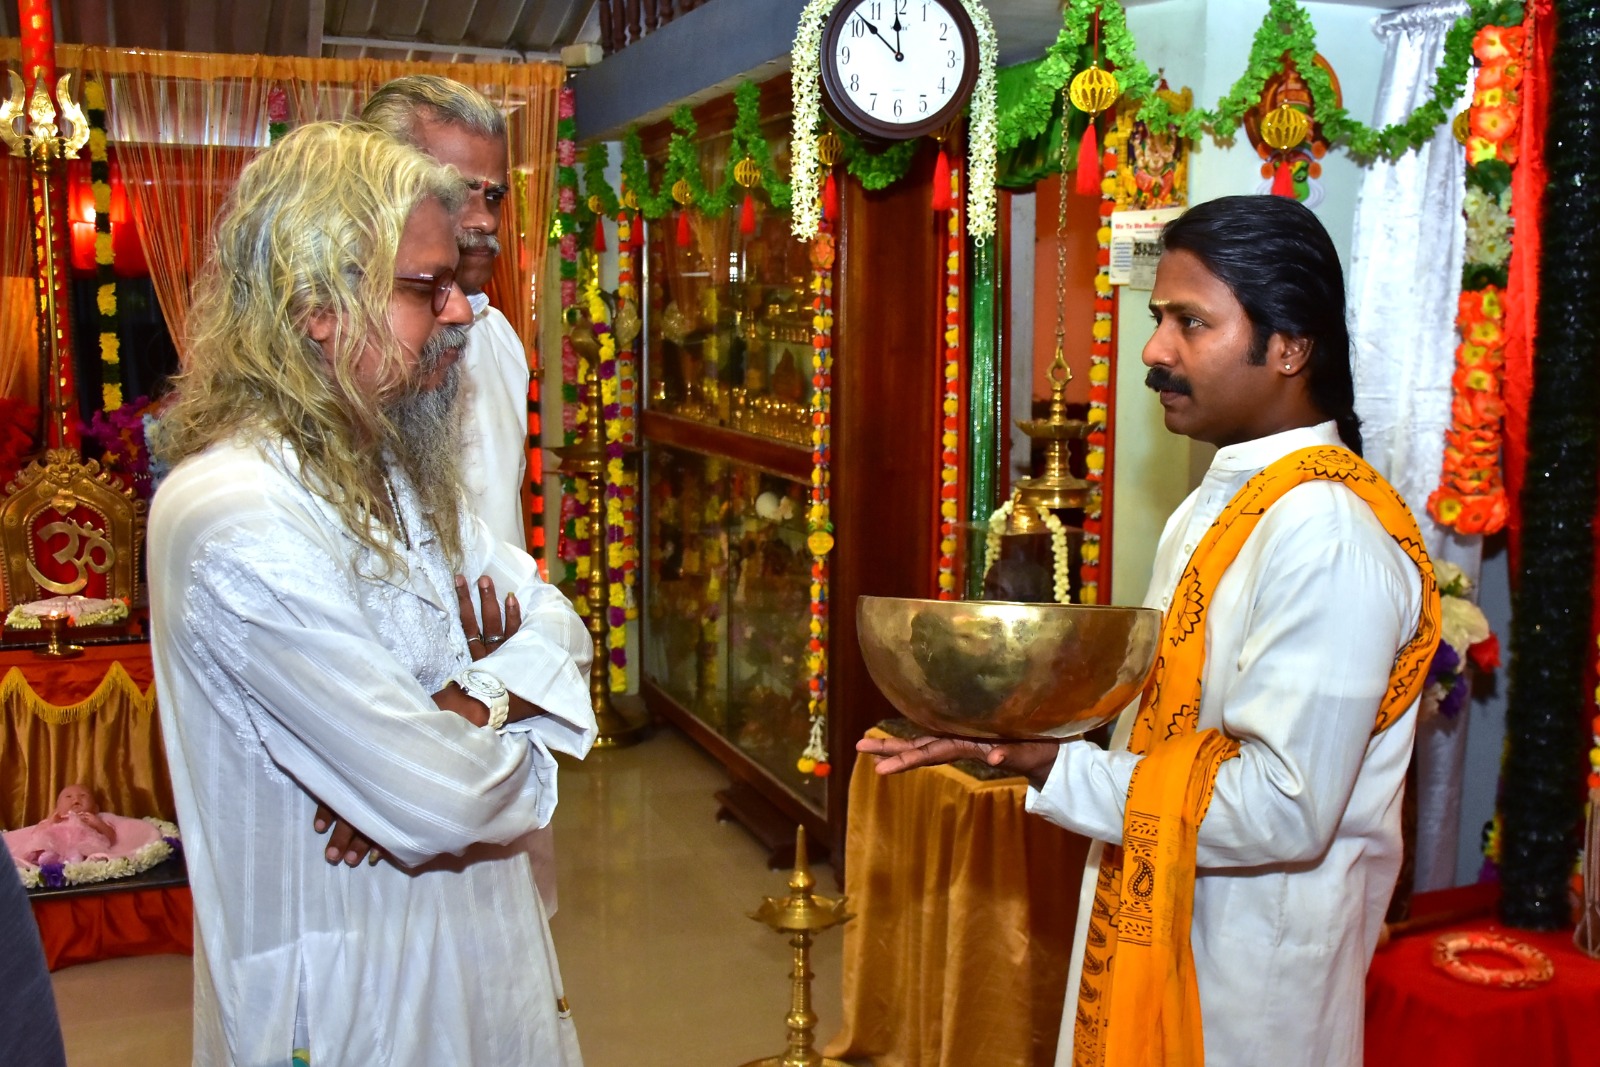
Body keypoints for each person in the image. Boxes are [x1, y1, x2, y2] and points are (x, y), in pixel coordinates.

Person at [858, 195, 1440, 1067]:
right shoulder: (1222, 506)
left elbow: (1284, 806)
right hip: (1156, 922)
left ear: (1289, 347)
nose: (1154, 351)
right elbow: (1171, 725)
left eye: (1190, 322)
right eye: (1158, 317)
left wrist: (1054, 766)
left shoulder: (1328, 536)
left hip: (1245, 990)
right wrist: (1016, 721)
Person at [148, 122, 593, 1066]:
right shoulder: (236, 514)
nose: (459, 312)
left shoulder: (384, 458)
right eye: (426, 288)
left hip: (482, 949)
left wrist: (474, 697)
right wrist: (461, 740)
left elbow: (558, 621)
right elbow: (443, 801)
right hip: (360, 987)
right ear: (319, 303)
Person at [360, 77, 564, 914]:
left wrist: (503, 680)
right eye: (456, 191)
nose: (481, 219)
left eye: (494, 194)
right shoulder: (363, 369)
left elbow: (533, 594)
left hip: (503, 701)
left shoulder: (499, 338)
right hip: (398, 743)